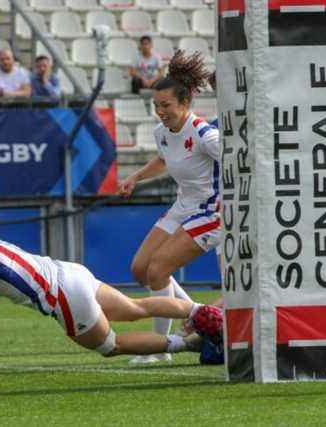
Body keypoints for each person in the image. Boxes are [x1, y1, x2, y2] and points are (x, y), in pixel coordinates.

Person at [0, 193, 224, 359]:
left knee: (111, 345)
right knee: (136, 308)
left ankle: (190, 344)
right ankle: (201, 312)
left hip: (63, 298)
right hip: (70, 272)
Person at [118, 50, 219, 363]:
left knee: (159, 269)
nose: (160, 112)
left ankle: (159, 348)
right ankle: (200, 316)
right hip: (183, 205)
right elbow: (163, 158)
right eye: (156, 106)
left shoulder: (204, 133)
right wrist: (136, 176)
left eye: (167, 106)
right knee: (140, 270)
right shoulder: (162, 132)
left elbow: (243, 161)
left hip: (211, 211)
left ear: (185, 103)